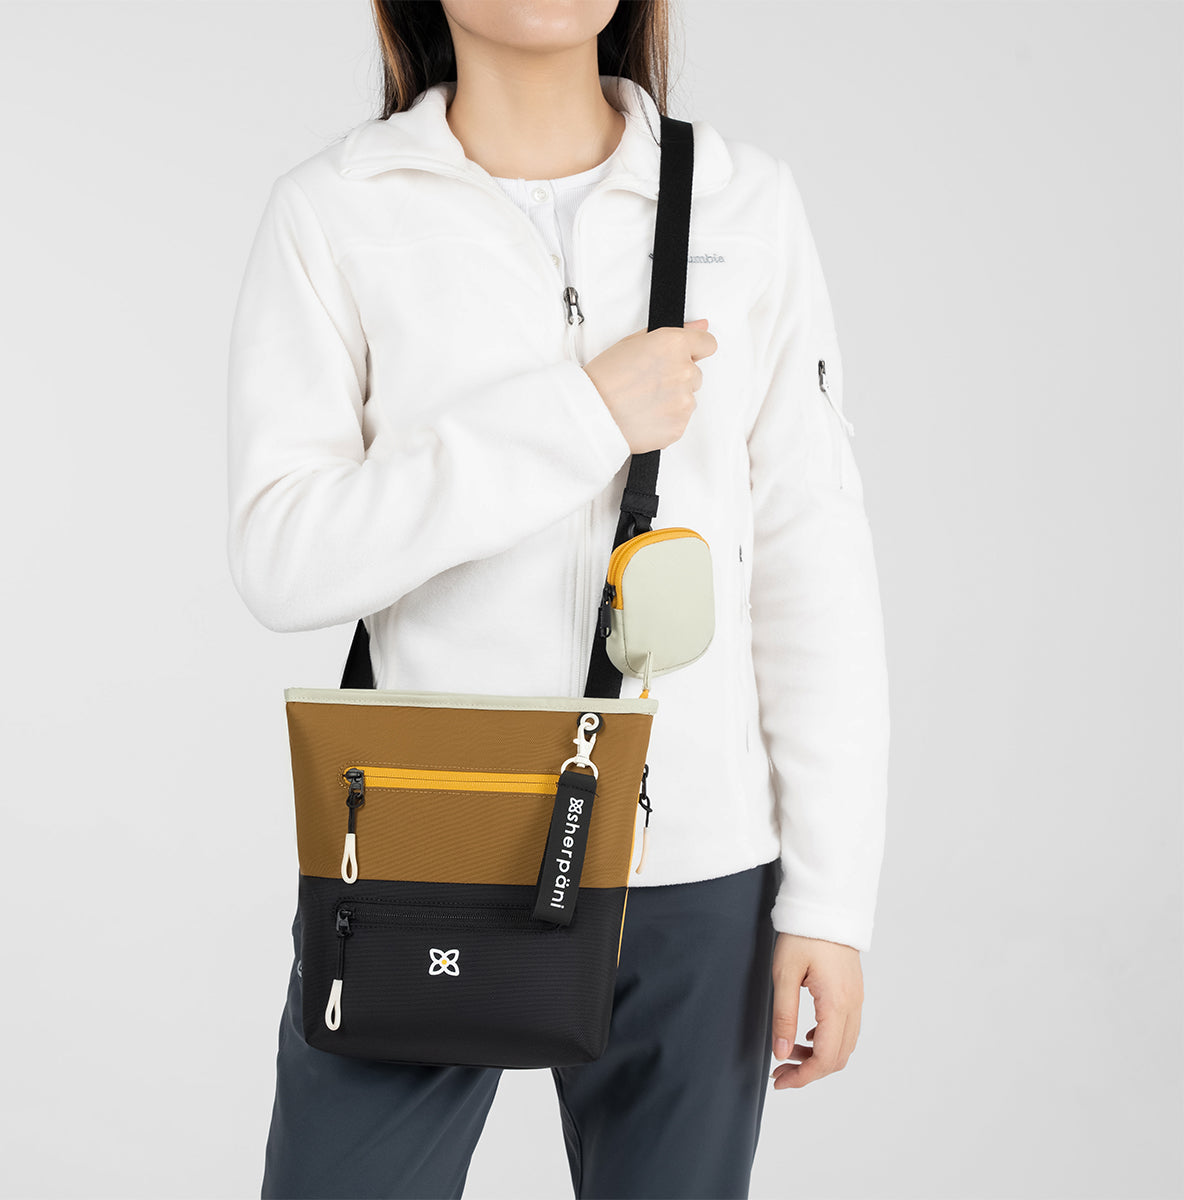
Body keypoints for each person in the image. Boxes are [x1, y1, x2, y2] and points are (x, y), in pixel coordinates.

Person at [226, 2, 890, 1196]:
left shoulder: (744, 202)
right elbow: (284, 555)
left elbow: (813, 564)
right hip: (429, 837)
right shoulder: (338, 210)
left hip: (695, 860)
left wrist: (830, 901)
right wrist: (579, 419)